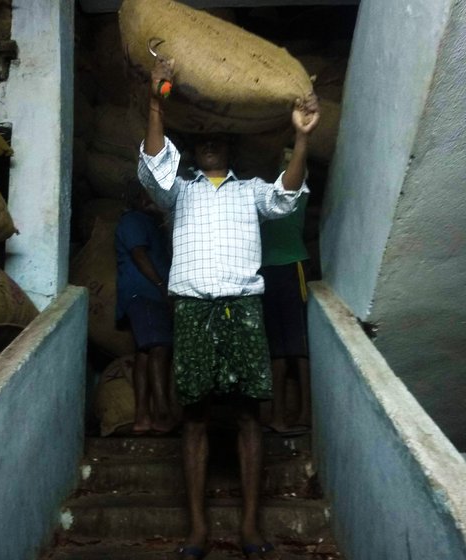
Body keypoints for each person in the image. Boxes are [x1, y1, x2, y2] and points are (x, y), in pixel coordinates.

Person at [137, 56, 319, 560]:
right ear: (194, 151)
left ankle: (250, 527)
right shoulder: (180, 195)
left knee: (246, 418)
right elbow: (154, 167)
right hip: (194, 310)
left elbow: (286, 195)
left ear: (232, 149)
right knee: (193, 417)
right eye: (203, 139)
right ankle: (196, 530)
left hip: (243, 309)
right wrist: (156, 104)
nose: (211, 143)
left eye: (220, 138)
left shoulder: (250, 192)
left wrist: (302, 138)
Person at [114, 181, 175, 434]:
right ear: (137, 199)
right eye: (147, 196)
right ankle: (162, 414)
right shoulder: (133, 221)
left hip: (148, 295)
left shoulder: (152, 224)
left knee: (146, 352)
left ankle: (142, 417)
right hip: (145, 293)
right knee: (160, 348)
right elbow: (139, 255)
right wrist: (162, 286)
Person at [259, 170, 312, 435]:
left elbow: (297, 172)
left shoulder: (299, 190)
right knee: (276, 350)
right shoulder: (265, 196)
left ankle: (306, 414)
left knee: (300, 346)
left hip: (293, 267)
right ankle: (277, 416)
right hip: (266, 272)